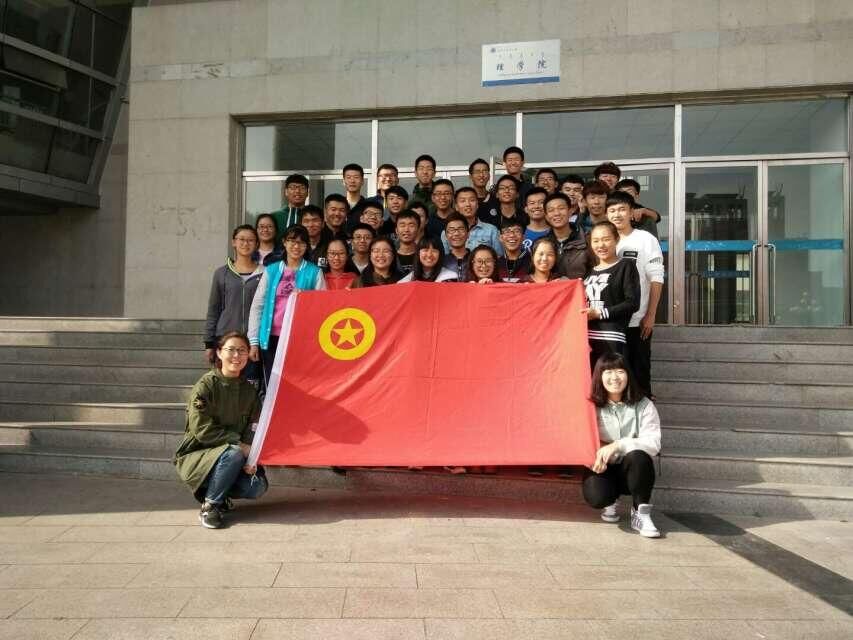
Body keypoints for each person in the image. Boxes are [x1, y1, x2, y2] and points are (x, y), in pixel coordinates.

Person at [174, 332, 268, 530]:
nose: (236, 356)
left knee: (257, 486)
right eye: (231, 350)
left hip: (234, 456)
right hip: (199, 454)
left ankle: (220, 492)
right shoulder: (206, 386)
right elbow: (202, 429)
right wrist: (239, 445)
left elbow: (252, 428)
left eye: (242, 350)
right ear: (219, 352)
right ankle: (210, 505)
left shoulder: (249, 392)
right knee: (233, 452)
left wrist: (251, 458)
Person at [583, 352, 661, 538]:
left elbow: (653, 443)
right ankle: (611, 500)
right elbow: (581, 437)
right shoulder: (590, 405)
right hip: (603, 466)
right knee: (597, 498)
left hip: (631, 467)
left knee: (639, 456)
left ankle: (640, 512)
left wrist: (618, 445)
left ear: (628, 374)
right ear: (599, 376)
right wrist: (593, 456)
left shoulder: (644, 405)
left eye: (620, 371)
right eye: (608, 372)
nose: (614, 377)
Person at [247, 224, 326, 386]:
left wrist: (306, 299)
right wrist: (253, 341)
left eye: (301, 242)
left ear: (307, 246)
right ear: (284, 242)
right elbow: (257, 306)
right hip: (270, 338)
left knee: (298, 385)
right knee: (273, 385)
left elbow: (323, 309)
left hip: (300, 340)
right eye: (292, 241)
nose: (296, 246)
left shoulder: (314, 272)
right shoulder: (271, 270)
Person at [606, 191, 665, 400]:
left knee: (639, 370)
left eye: (622, 209)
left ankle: (645, 409)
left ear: (632, 212)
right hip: (610, 319)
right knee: (614, 371)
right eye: (612, 210)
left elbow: (656, 277)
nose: (617, 214)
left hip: (637, 319)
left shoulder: (645, 239)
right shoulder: (603, 239)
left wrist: (651, 315)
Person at [204, 225, 264, 387]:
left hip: (253, 341)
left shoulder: (265, 273)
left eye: (250, 240)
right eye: (241, 239)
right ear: (233, 242)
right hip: (226, 339)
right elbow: (214, 309)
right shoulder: (221, 273)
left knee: (250, 387)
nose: (246, 243)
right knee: (224, 385)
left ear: (257, 244)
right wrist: (209, 343)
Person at [583, 221, 640, 367]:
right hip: (586, 340)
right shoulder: (589, 273)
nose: (600, 245)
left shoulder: (626, 266)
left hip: (612, 339)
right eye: (596, 241)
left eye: (606, 239)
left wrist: (599, 313)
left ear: (617, 239)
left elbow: (632, 303)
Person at [444, 186, 502, 256]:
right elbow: (445, 259)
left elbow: (499, 257)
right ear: (456, 206)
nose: (468, 204)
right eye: (463, 201)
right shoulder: (447, 233)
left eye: (472, 200)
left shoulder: (491, 230)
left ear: (477, 204)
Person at [545, 193, 589, 279]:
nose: (556, 213)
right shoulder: (542, 243)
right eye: (551, 210)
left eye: (561, 208)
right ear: (546, 216)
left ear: (570, 212)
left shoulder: (587, 240)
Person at [271, 174, 309, 240]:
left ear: (307, 192)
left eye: (302, 188)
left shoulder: (313, 217)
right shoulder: (275, 217)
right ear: (286, 192)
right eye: (293, 187)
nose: (297, 191)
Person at [497, 217, 531, 283]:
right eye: (507, 231)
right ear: (501, 238)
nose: (512, 235)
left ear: (523, 237)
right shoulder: (495, 264)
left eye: (517, 231)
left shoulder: (532, 262)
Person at [442, 213, 470, 281]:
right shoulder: (441, 262)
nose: (456, 233)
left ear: (468, 234)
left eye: (461, 229)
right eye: (452, 230)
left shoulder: (475, 259)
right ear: (446, 235)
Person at [522, 187, 550, 252]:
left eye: (541, 202)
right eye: (532, 203)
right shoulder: (520, 233)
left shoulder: (555, 232)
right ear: (526, 209)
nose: (536, 206)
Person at [394, 209, 421, 274]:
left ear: (418, 230)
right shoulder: (389, 254)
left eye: (411, 226)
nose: (406, 229)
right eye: (402, 225)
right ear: (396, 230)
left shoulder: (424, 254)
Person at [342, 163, 366, 228]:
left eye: (356, 177)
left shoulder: (367, 206)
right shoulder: (338, 206)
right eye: (348, 177)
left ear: (362, 181)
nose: (352, 181)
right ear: (343, 181)